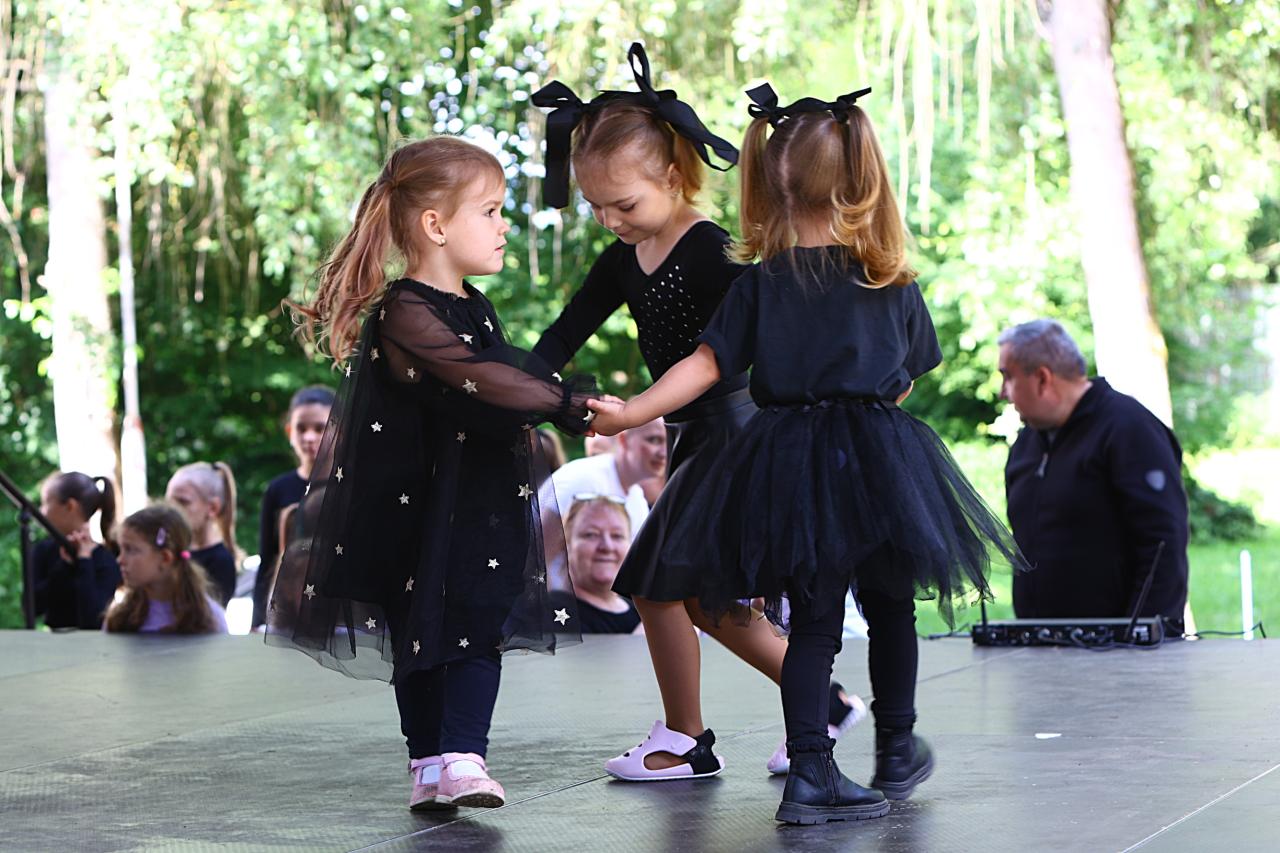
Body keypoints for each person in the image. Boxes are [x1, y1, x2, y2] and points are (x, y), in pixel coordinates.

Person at [588, 83, 1023, 825]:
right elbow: (908, 376)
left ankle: (812, 774)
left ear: (768, 181)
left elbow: (706, 365)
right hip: (880, 463)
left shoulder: (762, 283)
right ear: (856, 179)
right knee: (891, 608)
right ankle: (895, 746)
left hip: (791, 464)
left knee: (815, 624)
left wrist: (630, 411)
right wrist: (865, 406)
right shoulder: (889, 280)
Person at [533, 42, 863, 783]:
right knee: (706, 600)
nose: (610, 220)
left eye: (624, 204)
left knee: (654, 582)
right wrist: (510, 385)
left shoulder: (713, 251)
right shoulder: (624, 258)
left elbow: (750, 346)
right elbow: (563, 333)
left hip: (736, 437)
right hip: (692, 438)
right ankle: (822, 703)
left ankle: (688, 738)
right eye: (595, 206)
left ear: (674, 177)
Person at [267, 136, 599, 813]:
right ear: (435, 225)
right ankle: (435, 759)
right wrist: (570, 404)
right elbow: (478, 377)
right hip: (416, 507)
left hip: (476, 503)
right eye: (491, 211)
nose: (504, 226)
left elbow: (495, 379)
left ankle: (459, 754)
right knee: (417, 629)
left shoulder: (475, 305)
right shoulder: (406, 311)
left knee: (478, 617)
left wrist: (560, 400)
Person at [998, 319, 1189, 632]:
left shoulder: (1129, 430)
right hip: (1041, 645)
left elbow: (1163, 546)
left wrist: (1141, 636)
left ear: (1043, 378)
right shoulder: (1026, 444)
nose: (1002, 392)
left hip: (1118, 649)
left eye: (1008, 376)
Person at [252, 385, 335, 630]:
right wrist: (258, 621)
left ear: (338, 431)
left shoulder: (352, 486)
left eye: (320, 428)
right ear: (289, 431)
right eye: (301, 428)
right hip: (288, 612)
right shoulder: (278, 489)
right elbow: (267, 560)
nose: (309, 437)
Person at [105, 504, 229, 634]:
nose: (120, 560)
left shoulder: (208, 619)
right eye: (121, 549)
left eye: (131, 550)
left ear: (165, 558)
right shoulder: (121, 617)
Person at [540, 418, 665, 544]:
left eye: (668, 442)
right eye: (654, 440)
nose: (663, 453)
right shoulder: (583, 478)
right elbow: (538, 546)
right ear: (624, 440)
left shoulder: (637, 499)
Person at [34, 472, 121, 630]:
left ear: (70, 506)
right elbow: (33, 606)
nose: (41, 511)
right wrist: (64, 566)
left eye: (45, 503)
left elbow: (93, 619)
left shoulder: (107, 559)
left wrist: (84, 561)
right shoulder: (43, 550)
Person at [548, 496, 641, 633]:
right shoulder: (549, 612)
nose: (607, 546)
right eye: (591, 535)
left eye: (617, 536)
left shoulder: (642, 610)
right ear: (566, 545)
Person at [165, 462, 240, 606]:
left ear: (213, 508)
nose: (173, 510)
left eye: (183, 502)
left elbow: (202, 614)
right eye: (170, 502)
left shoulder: (220, 561)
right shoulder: (170, 550)